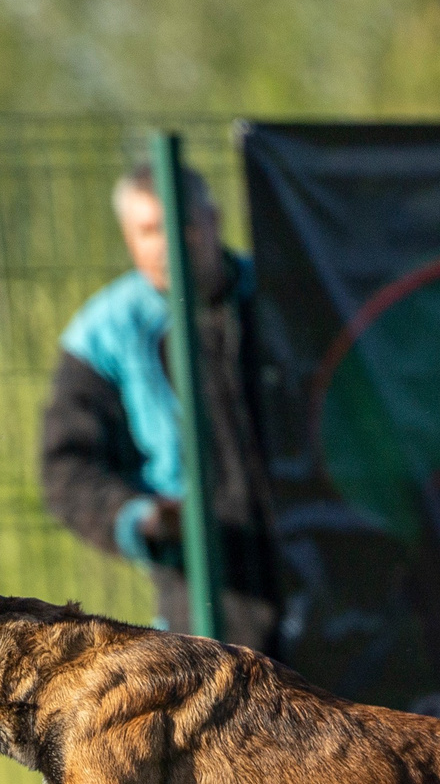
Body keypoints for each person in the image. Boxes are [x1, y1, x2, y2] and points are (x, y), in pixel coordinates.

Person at [39, 163, 285, 652]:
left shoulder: (286, 299)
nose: (167, 245)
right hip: (202, 581)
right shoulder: (105, 335)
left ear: (214, 220)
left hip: (315, 557)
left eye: (182, 225)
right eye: (149, 231)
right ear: (129, 237)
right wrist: (140, 518)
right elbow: (66, 469)